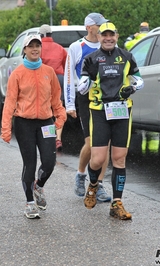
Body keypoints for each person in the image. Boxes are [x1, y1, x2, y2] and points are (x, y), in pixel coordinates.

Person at [78, 22, 144, 220]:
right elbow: (82, 85)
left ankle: (117, 203)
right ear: (98, 37)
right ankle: (93, 184)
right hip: (99, 111)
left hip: (122, 111)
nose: (108, 38)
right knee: (97, 159)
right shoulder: (90, 59)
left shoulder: (126, 57)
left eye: (111, 35)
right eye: (104, 35)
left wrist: (131, 88)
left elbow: (139, 80)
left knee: (119, 158)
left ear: (117, 36)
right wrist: (86, 83)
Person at [0, 34, 66, 219]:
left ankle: (39, 187)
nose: (35, 49)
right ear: (25, 50)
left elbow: (56, 99)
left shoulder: (49, 72)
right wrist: (6, 128)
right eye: (31, 46)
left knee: (49, 163)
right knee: (30, 164)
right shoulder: (18, 74)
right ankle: (30, 203)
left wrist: (60, 118)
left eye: (37, 45)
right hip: (24, 123)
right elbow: (10, 102)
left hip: (46, 122)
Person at [63, 12, 111, 202]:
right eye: (99, 25)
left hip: (106, 98)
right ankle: (81, 174)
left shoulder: (106, 46)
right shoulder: (77, 47)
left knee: (104, 145)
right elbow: (68, 76)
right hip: (85, 98)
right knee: (92, 144)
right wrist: (69, 104)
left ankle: (98, 185)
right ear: (89, 27)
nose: (102, 29)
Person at [38, 24, 67, 151]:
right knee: (58, 109)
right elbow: (66, 65)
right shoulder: (60, 48)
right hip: (59, 78)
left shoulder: (38, 48)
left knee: (46, 110)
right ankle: (58, 138)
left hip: (44, 79)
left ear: (40, 35)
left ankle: (48, 137)